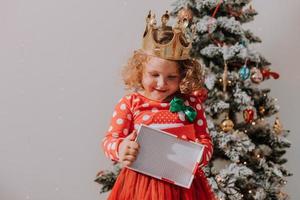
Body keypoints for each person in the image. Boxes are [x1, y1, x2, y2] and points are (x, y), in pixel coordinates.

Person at [102, 10, 216, 200]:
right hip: (139, 187)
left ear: (183, 75)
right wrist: (121, 148)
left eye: (171, 77)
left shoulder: (191, 103)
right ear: (139, 71)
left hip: (183, 188)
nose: (162, 83)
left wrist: (197, 156)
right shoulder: (130, 103)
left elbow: (205, 140)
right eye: (154, 75)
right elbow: (109, 140)